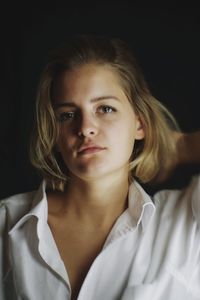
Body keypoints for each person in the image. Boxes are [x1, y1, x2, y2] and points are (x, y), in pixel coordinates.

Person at [0, 34, 200, 300]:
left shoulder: (185, 225)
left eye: (105, 109)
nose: (85, 128)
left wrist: (182, 146)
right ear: (54, 134)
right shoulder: (7, 225)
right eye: (67, 115)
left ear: (139, 124)